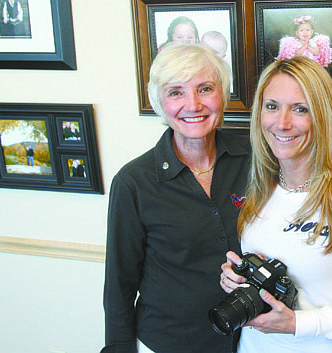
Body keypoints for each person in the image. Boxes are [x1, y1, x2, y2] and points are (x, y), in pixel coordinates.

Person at [219, 56, 332, 353]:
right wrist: (237, 279)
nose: (282, 123)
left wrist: (298, 324)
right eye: (272, 106)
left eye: (300, 109)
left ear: (322, 115)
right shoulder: (259, 180)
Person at [102, 43, 251, 353]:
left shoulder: (254, 161)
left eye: (205, 88)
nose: (193, 104)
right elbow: (119, 283)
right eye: (176, 92)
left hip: (254, 337)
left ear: (222, 94)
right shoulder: (134, 182)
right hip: (172, 342)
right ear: (160, 102)